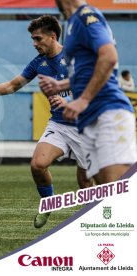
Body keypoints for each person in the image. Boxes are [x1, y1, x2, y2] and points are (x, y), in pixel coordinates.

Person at [0, 15, 93, 228]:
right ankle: (48, 202)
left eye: (38, 39)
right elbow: (12, 86)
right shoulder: (38, 63)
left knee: (85, 182)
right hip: (59, 125)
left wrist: (68, 99)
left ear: (53, 37)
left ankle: (93, 221)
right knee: (37, 165)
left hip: (85, 127)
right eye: (33, 40)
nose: (34, 44)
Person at [40, 0, 137, 184]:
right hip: (90, 118)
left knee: (116, 193)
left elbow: (108, 57)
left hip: (107, 112)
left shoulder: (86, 16)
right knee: (103, 196)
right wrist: (60, 86)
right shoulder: (73, 22)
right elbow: (86, 71)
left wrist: (83, 99)